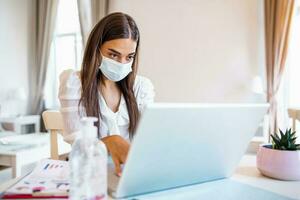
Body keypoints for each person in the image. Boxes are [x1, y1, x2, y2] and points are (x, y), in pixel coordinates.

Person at [58, 12, 155, 176]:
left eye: (129, 57)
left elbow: (151, 136)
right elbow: (77, 142)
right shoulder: (74, 83)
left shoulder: (141, 87)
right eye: (113, 54)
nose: (122, 63)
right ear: (96, 49)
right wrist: (108, 142)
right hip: (90, 174)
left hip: (127, 174)